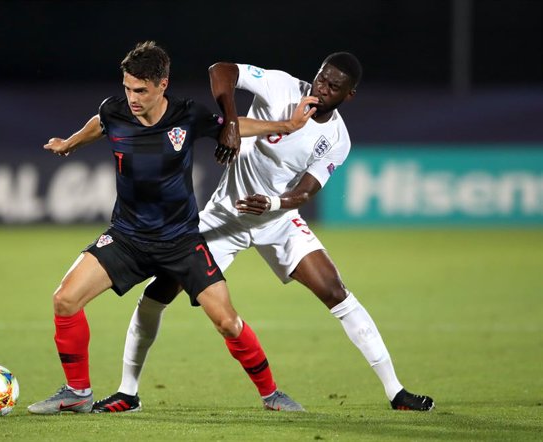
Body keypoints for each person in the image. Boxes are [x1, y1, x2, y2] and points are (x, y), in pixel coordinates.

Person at [92, 53, 435, 413]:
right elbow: (221, 70)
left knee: (336, 292)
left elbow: (304, 192)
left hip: (277, 219)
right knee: (156, 294)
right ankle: (128, 392)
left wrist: (273, 204)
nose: (322, 88)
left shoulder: (337, 139)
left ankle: (396, 392)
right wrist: (231, 123)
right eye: (320, 78)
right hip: (225, 218)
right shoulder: (281, 85)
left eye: (333, 87)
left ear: (348, 95)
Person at [27, 41, 317, 415]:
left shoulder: (186, 115)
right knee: (64, 299)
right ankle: (77, 391)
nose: (132, 97)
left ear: (162, 85)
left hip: (181, 241)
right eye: (128, 88)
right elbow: (99, 124)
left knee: (228, 322)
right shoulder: (114, 110)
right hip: (127, 237)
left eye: (141, 90)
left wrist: (287, 125)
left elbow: (233, 125)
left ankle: (272, 394)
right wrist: (69, 144)